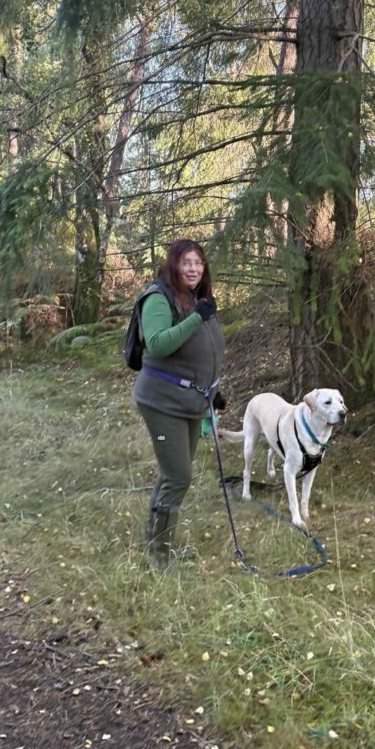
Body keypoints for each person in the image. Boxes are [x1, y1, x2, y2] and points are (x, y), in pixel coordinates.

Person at [133, 239, 226, 568]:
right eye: (186, 262)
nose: (193, 268)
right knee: (178, 476)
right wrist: (196, 319)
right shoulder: (159, 298)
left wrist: (214, 390)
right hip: (162, 402)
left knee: (173, 473)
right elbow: (157, 344)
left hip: (191, 401)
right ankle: (161, 557)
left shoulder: (197, 298)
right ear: (174, 265)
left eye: (198, 262)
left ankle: (155, 539)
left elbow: (207, 351)